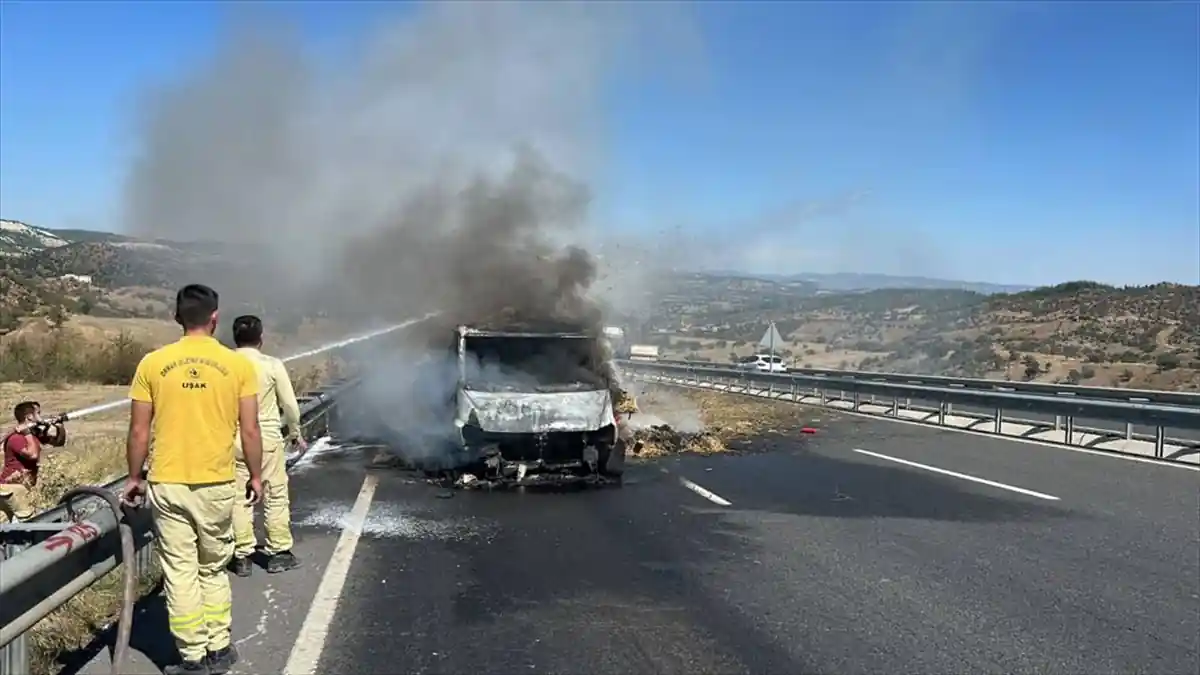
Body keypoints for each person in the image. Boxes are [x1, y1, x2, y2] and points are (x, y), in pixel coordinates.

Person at [119, 284, 265, 675]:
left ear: (177, 317)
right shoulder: (239, 366)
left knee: (180, 572)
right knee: (213, 569)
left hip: (168, 483)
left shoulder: (153, 363)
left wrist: (134, 477)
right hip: (217, 483)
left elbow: (138, 431)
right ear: (215, 318)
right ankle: (219, 649)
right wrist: (255, 476)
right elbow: (251, 431)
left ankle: (192, 658)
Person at [228, 314, 306, 576]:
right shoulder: (272, 365)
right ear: (260, 339)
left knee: (239, 498)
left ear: (234, 338)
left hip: (233, 440)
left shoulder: (224, 365)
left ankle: (242, 556)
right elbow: (291, 406)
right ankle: (278, 552)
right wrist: (295, 432)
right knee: (275, 495)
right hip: (267, 439)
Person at [0, 402, 42, 523]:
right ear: (29, 417)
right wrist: (27, 433)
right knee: (30, 521)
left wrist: (59, 426)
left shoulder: (31, 436)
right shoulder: (17, 438)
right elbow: (33, 455)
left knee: (3, 523)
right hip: (12, 488)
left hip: (10, 489)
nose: (41, 417)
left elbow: (58, 442)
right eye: (38, 414)